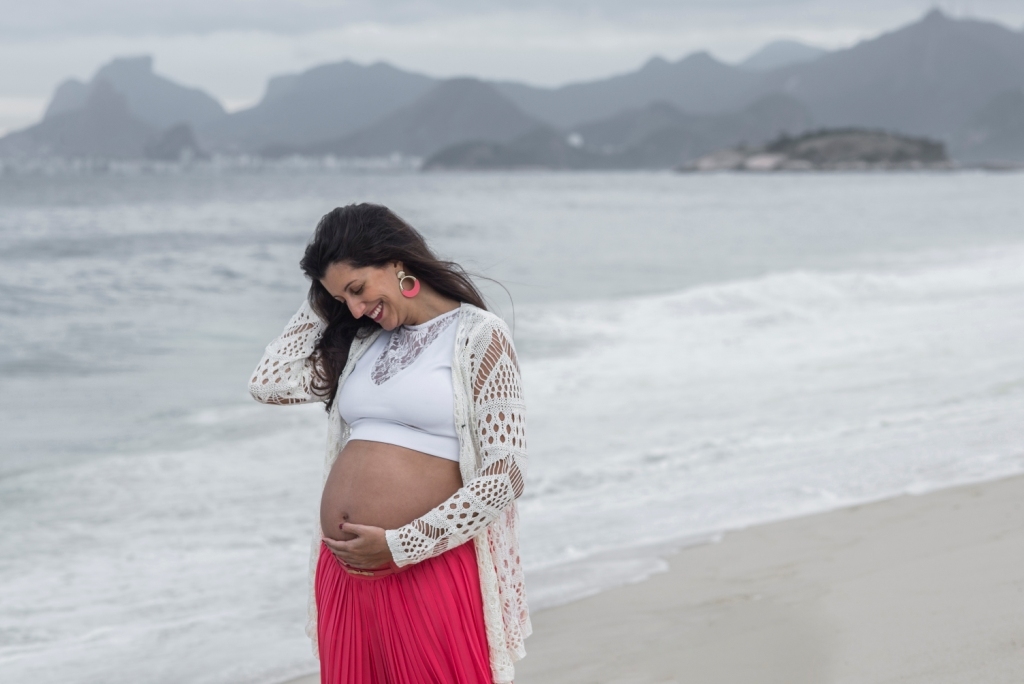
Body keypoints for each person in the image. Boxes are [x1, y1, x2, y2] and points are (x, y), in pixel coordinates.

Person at [248, 203, 530, 684]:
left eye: (357, 289)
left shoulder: (480, 336)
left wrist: (402, 545)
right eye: (343, 300)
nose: (356, 309)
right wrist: (325, 297)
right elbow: (269, 382)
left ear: (396, 260)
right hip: (346, 572)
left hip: (425, 564)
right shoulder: (360, 341)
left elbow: (507, 474)